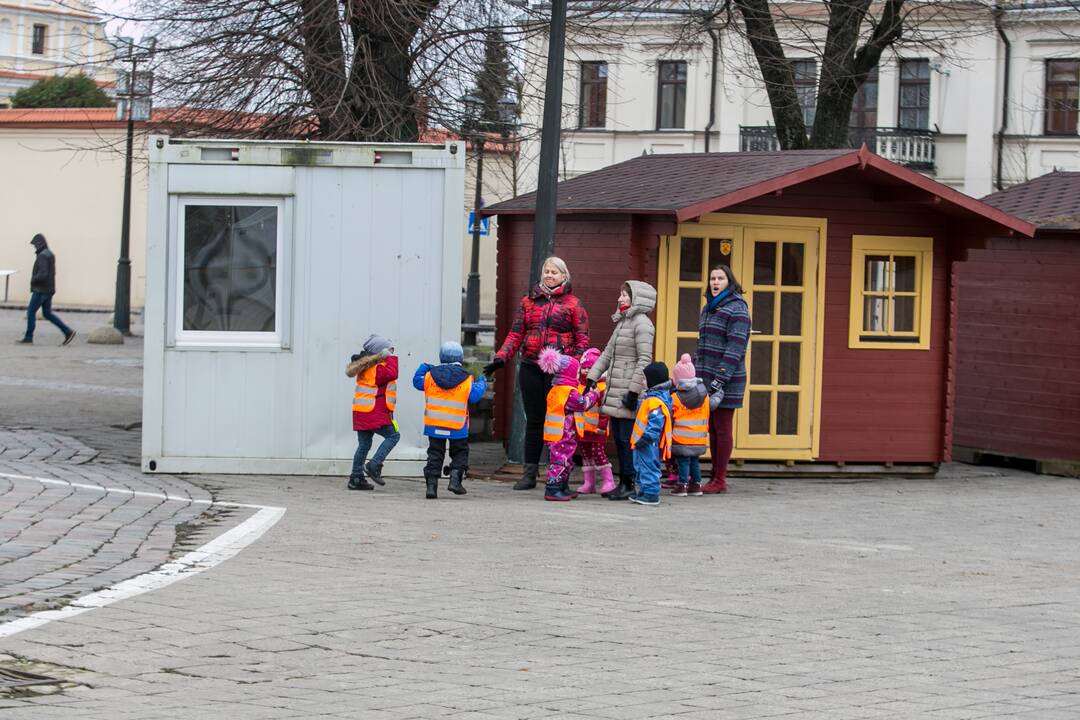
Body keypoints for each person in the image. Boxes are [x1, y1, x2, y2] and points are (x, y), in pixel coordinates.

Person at [483, 257, 589, 491]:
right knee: (534, 420)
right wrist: (501, 357)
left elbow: (582, 340)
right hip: (531, 365)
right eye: (546, 271)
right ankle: (529, 473)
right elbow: (515, 333)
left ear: (564, 276)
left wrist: (575, 364)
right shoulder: (528, 302)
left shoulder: (573, 304)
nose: (549, 275)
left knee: (560, 424)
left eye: (554, 272)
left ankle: (558, 472)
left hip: (559, 372)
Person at [584, 280, 656, 501]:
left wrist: (634, 392)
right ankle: (623, 482)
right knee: (620, 438)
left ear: (638, 298)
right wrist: (591, 377)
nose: (620, 299)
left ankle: (629, 482)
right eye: (621, 295)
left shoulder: (642, 324)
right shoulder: (623, 323)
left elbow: (645, 359)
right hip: (615, 390)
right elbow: (607, 354)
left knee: (626, 440)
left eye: (625, 295)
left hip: (627, 392)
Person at [696, 264, 750, 494]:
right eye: (712, 278)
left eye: (720, 278)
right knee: (711, 427)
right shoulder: (708, 309)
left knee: (722, 427)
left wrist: (720, 378)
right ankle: (713, 475)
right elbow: (702, 344)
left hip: (728, 379)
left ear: (729, 282)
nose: (715, 282)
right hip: (705, 377)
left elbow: (736, 347)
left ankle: (720, 478)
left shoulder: (737, 309)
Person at [414, 341, 487, 499]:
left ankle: (431, 488)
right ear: (460, 358)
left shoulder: (430, 376)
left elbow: (417, 381)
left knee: (435, 454)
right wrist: (482, 381)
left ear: (441, 358)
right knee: (460, 453)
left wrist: (425, 366)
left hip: (434, 425)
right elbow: (475, 396)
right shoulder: (467, 379)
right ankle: (455, 481)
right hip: (457, 426)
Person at [537, 348, 600, 502]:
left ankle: (562, 486)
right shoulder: (567, 391)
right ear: (570, 373)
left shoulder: (556, 389)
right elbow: (582, 404)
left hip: (559, 433)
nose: (578, 375)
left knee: (566, 461)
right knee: (560, 461)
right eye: (577, 372)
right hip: (562, 435)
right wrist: (594, 394)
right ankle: (553, 488)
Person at [344, 334, 400, 491]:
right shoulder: (378, 369)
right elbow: (393, 373)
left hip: (361, 411)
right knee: (393, 436)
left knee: (364, 444)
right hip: (372, 412)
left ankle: (356, 478)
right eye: (389, 350)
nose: (392, 353)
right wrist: (389, 358)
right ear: (379, 353)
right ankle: (374, 465)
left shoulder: (365, 367)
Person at [669, 353, 719, 497]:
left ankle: (682, 485)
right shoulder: (704, 396)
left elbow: (669, 415)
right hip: (699, 438)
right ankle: (696, 485)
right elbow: (713, 406)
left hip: (681, 438)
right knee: (694, 461)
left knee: (683, 462)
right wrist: (719, 394)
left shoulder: (675, 398)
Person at [627, 361, 673, 507]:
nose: (643, 381)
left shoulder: (655, 401)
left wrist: (646, 438)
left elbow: (655, 424)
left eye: (645, 379)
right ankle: (644, 491)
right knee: (640, 465)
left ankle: (651, 493)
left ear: (653, 381)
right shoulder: (651, 398)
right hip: (643, 441)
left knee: (648, 466)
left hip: (648, 442)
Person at [19, 234, 75, 346]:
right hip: (48, 289)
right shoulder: (49, 254)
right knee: (47, 313)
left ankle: (28, 337)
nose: (34, 247)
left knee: (31, 312)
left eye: (35, 245)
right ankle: (67, 331)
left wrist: (33, 279)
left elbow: (43, 274)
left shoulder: (42, 256)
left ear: (40, 244)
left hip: (41, 290)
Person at [574, 347, 615, 495]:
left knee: (598, 453)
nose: (586, 371)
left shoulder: (602, 387)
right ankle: (589, 483)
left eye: (589, 368)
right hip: (582, 428)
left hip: (598, 429)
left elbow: (604, 410)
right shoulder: (578, 386)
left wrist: (602, 426)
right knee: (585, 454)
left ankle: (608, 481)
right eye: (584, 368)